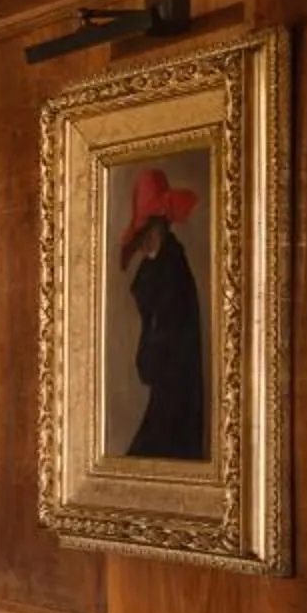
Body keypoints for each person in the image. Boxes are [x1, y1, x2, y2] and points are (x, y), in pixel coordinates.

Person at [119, 164, 205, 459]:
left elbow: (171, 336)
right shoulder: (155, 268)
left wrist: (150, 358)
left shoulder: (173, 268)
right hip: (165, 390)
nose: (144, 241)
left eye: (148, 230)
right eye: (141, 233)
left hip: (177, 393)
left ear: (161, 224)